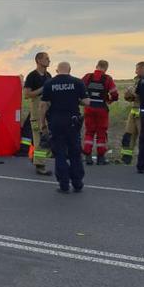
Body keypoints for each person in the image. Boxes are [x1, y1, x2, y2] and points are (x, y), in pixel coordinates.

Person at [40, 62, 90, 193]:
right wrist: (76, 100)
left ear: (57, 70)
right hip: (73, 122)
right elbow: (86, 102)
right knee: (74, 152)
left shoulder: (49, 83)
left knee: (60, 153)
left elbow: (43, 105)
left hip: (55, 122)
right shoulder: (77, 82)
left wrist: (42, 124)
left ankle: (64, 184)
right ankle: (77, 183)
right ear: (70, 70)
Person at [81, 60, 119, 165]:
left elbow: (79, 88)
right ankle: (100, 158)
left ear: (96, 66)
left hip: (89, 107)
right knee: (101, 133)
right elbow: (115, 94)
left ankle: (88, 155)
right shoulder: (107, 79)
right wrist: (110, 100)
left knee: (89, 132)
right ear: (106, 68)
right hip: (102, 108)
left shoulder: (87, 77)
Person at [23, 52, 52, 175]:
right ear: (39, 60)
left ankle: (36, 158)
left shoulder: (48, 75)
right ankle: (40, 166)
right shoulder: (32, 76)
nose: (49, 61)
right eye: (46, 58)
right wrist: (42, 89)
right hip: (36, 113)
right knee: (40, 138)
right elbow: (27, 94)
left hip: (48, 110)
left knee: (47, 136)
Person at [120, 61, 144, 164]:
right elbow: (131, 98)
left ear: (143, 69)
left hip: (143, 114)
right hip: (133, 112)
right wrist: (128, 94)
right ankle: (126, 158)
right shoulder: (137, 80)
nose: (135, 71)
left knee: (143, 137)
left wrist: (134, 93)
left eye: (137, 69)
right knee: (128, 136)